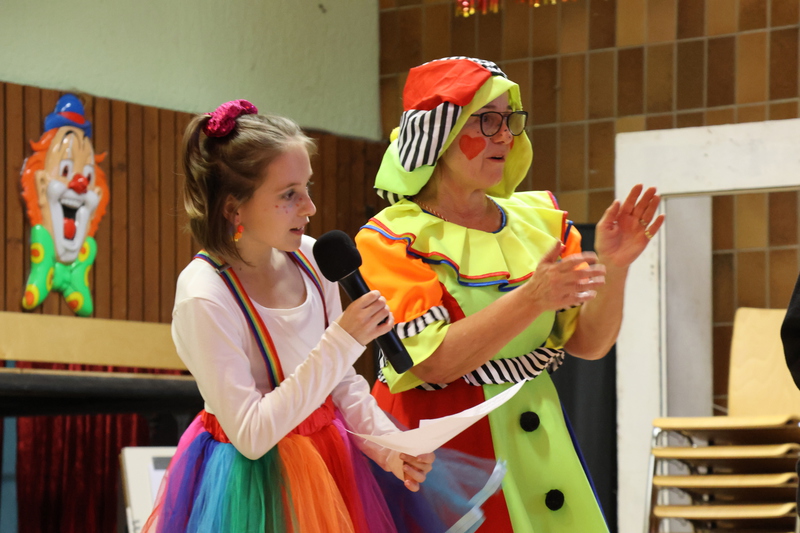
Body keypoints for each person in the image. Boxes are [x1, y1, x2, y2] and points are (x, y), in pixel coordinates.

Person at [141, 100, 496, 533]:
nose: (309, 207)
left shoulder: (310, 258)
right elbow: (252, 435)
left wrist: (388, 446)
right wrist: (342, 341)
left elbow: (341, 383)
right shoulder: (205, 294)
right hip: (251, 489)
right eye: (289, 194)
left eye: (307, 187)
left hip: (331, 462)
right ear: (234, 208)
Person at [355, 57, 664, 532]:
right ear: (439, 134)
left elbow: (589, 344)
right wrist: (531, 299)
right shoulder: (391, 238)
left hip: (537, 443)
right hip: (442, 454)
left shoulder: (539, 223)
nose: (505, 136)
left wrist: (615, 265)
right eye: (486, 120)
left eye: (509, 119)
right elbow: (432, 363)